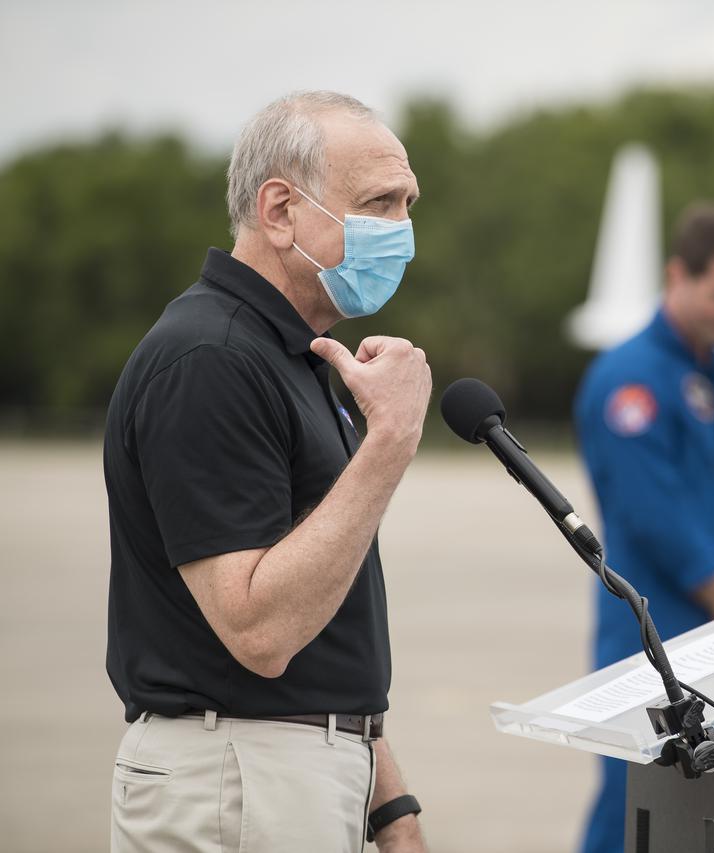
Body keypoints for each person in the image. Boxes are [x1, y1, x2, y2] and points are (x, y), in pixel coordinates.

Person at [103, 91, 431, 852]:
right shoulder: (211, 359)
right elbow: (260, 629)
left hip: (291, 773)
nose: (404, 233)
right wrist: (391, 441)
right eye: (380, 203)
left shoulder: (292, 356)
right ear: (280, 210)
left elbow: (327, 627)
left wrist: (392, 809)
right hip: (238, 776)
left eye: (409, 204)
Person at [572, 202, 714, 853]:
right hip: (652, 628)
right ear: (677, 275)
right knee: (639, 800)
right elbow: (647, 504)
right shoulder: (627, 379)